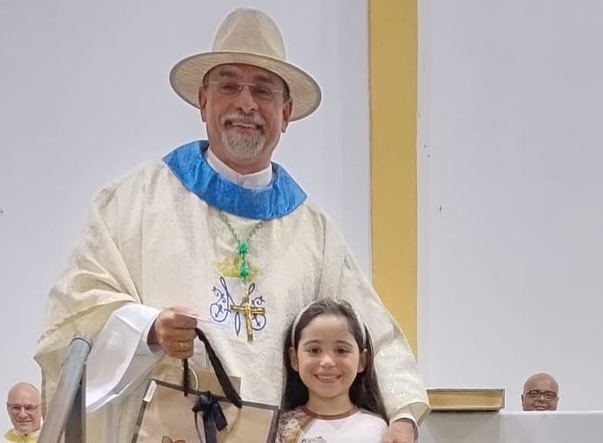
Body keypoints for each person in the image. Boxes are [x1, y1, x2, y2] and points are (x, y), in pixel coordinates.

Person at [33, 7, 428, 443]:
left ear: (286, 112)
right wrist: (149, 329)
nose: (246, 103)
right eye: (229, 85)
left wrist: (403, 417)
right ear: (202, 101)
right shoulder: (134, 202)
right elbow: (74, 313)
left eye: (263, 90)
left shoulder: (313, 234)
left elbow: (374, 334)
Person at [277, 299, 388, 442]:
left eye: (341, 350)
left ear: (362, 360)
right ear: (294, 359)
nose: (327, 362)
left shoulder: (379, 430)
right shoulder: (280, 430)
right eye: (314, 350)